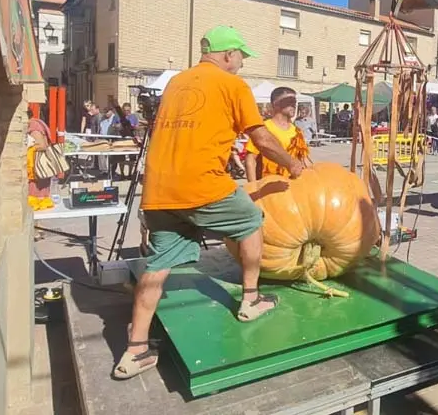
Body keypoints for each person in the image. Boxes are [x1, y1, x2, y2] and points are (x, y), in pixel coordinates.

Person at [114, 26, 305, 380]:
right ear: (227, 54)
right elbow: (260, 137)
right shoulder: (233, 85)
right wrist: (294, 164)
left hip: (158, 190)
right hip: (201, 183)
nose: (242, 64)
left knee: (157, 266)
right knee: (251, 219)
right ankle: (251, 299)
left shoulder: (176, 83)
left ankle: (135, 350)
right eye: (241, 57)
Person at [243, 87, 313, 181]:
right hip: (268, 186)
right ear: (276, 104)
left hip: (291, 187)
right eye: (289, 101)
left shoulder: (297, 132)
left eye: (295, 102)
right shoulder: (263, 129)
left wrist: (316, 175)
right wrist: (253, 187)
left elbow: (305, 160)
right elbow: (250, 160)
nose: (294, 105)